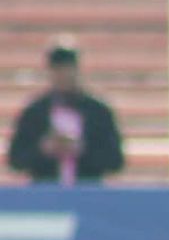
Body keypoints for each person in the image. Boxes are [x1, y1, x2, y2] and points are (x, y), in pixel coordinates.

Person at [6, 40, 125, 184]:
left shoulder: (98, 111)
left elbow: (115, 161)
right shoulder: (35, 112)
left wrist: (83, 149)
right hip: (46, 193)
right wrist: (44, 148)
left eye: (68, 68)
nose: (64, 75)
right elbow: (16, 160)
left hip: (88, 192)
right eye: (58, 69)